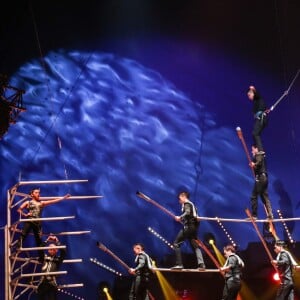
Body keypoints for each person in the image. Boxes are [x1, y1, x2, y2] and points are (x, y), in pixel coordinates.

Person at [17, 188, 71, 260]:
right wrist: (25, 214)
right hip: (30, 220)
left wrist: (63, 197)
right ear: (32, 194)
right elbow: (19, 209)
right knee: (23, 234)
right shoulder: (28, 202)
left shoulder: (41, 203)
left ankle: (41, 257)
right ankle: (18, 247)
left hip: (37, 223)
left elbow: (53, 201)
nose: (38, 194)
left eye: (39, 192)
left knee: (39, 241)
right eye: (36, 192)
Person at [171, 191, 205, 270]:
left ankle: (179, 264)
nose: (179, 201)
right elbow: (195, 218)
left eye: (180, 199)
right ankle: (201, 264)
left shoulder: (187, 204)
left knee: (176, 243)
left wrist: (180, 217)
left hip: (189, 227)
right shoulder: (193, 205)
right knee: (195, 246)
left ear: (184, 197)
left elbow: (187, 212)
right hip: (193, 228)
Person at [37, 235, 66, 300]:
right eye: (50, 249)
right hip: (42, 282)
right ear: (48, 250)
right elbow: (40, 249)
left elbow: (64, 251)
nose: (52, 250)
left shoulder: (58, 259)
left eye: (54, 249)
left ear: (56, 250)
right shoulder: (44, 257)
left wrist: (57, 241)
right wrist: (47, 240)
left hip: (52, 283)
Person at [249, 145, 273, 219]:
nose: (252, 151)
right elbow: (258, 167)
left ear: (256, 149)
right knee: (264, 196)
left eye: (253, 149)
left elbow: (258, 163)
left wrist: (254, 164)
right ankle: (270, 214)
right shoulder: (260, 155)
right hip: (264, 178)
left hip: (261, 178)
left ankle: (254, 215)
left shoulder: (259, 154)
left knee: (254, 196)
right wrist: (253, 165)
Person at [247, 85, 268, 153]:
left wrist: (253, 89)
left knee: (255, 133)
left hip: (261, 118)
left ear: (252, 93)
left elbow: (257, 94)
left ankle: (260, 150)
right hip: (261, 118)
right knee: (256, 134)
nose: (249, 97)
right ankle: (258, 150)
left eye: (249, 95)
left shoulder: (257, 98)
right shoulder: (257, 102)